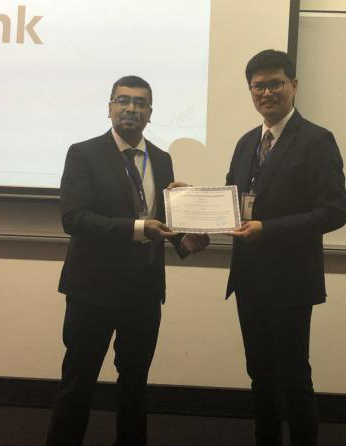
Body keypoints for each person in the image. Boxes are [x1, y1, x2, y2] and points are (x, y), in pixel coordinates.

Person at [45, 75, 208, 446]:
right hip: (92, 291)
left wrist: (185, 241)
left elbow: (162, 220)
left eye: (140, 103)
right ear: (109, 108)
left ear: (150, 112)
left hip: (144, 292)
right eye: (123, 101)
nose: (131, 108)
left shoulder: (162, 159)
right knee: (78, 382)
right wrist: (138, 228)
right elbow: (74, 219)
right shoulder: (83, 153)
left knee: (135, 386)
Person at [226, 50, 346, 446]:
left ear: (293, 85)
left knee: (294, 378)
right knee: (259, 376)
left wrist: (268, 230)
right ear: (250, 91)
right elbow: (231, 202)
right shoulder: (246, 143)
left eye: (275, 84)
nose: (266, 93)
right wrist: (189, 206)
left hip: (290, 281)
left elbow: (334, 212)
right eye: (258, 86)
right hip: (249, 280)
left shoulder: (316, 140)